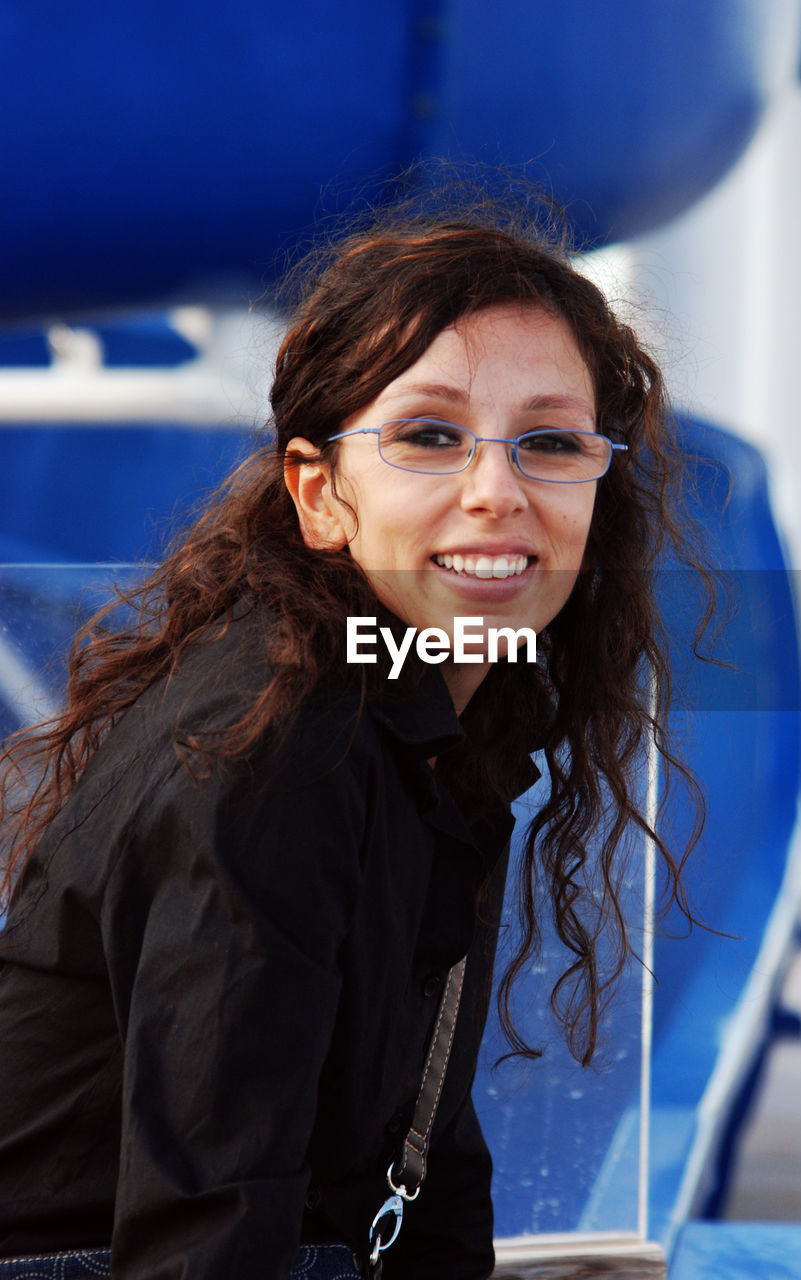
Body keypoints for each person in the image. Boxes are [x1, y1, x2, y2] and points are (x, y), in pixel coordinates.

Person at [0, 193, 705, 1279]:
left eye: (549, 442)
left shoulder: (437, 709)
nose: (495, 490)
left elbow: (424, 1146)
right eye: (428, 436)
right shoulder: (272, 746)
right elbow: (207, 1221)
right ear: (318, 493)